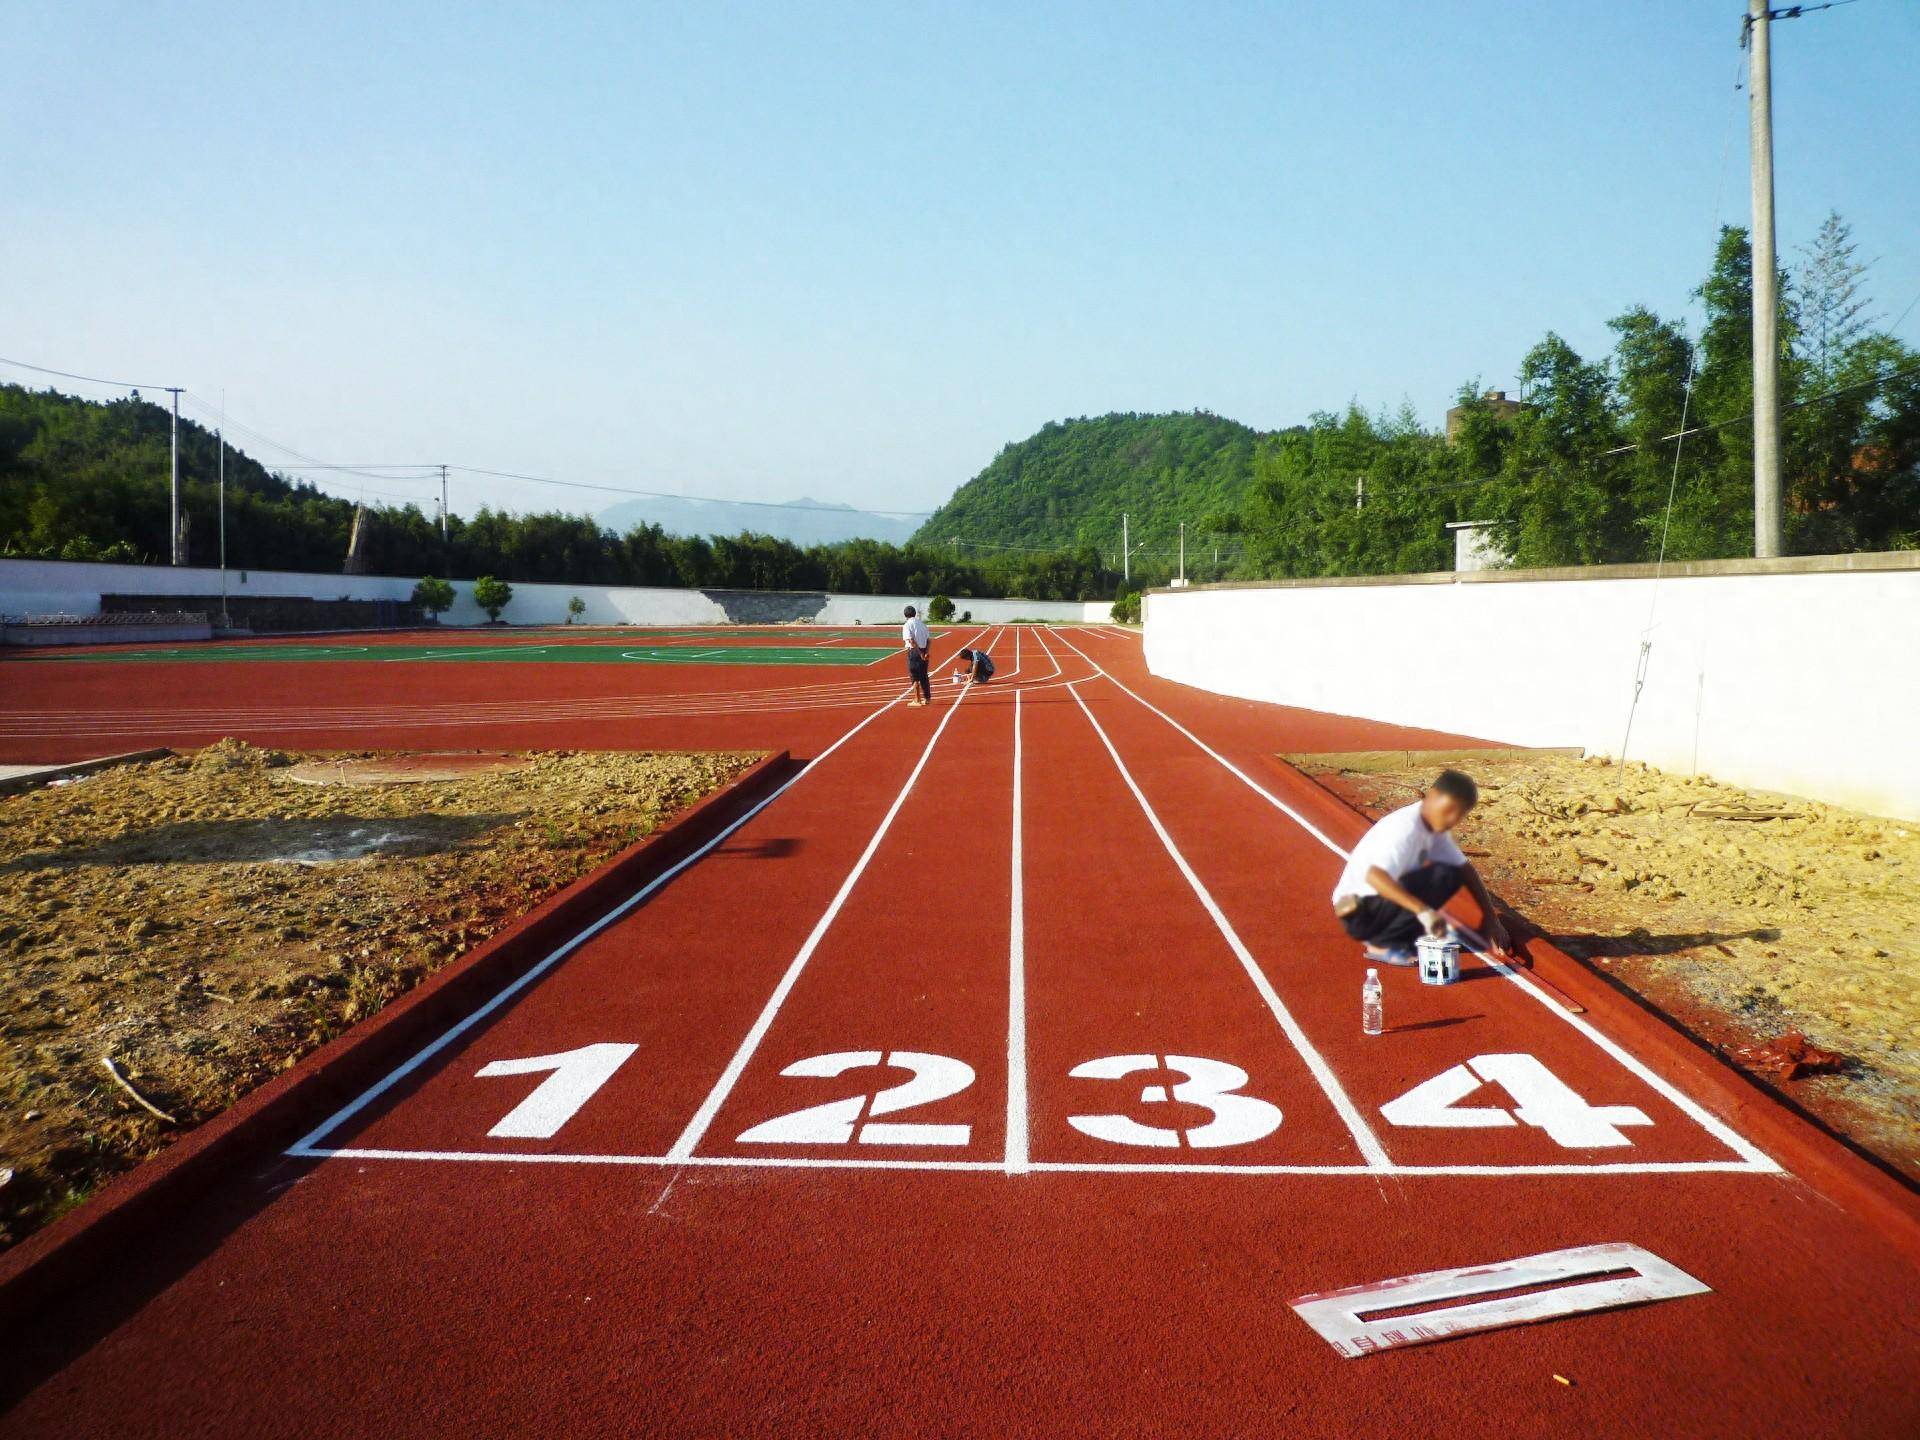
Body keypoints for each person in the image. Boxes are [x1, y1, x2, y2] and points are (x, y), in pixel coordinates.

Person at [1329, 769, 1511, 965]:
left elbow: (1464, 869)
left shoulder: (1432, 824)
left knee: (1446, 874)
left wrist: (1492, 920)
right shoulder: (1405, 829)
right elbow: (1374, 877)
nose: (1451, 820)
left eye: (1458, 815)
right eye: (1448, 811)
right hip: (1357, 910)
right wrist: (1423, 911)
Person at [901, 604, 932, 707]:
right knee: (924, 675)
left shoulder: (907, 625)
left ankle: (917, 699)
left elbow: (911, 641)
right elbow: (928, 640)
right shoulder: (922, 624)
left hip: (915, 651)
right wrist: (926, 652)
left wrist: (920, 653)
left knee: (914, 675)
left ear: (905, 615)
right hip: (923, 649)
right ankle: (927, 699)